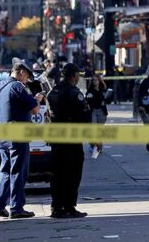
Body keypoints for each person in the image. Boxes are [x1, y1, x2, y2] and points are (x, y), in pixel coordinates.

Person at [0, 59, 44, 219]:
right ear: (21, 72)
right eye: (27, 76)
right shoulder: (19, 87)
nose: (27, 80)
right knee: (19, 171)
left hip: (2, 135)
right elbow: (34, 110)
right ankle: (16, 207)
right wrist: (38, 100)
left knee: (5, 170)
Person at [47, 63, 90, 218]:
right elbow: (84, 117)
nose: (79, 77)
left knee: (57, 174)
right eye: (78, 74)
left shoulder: (54, 91)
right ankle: (69, 206)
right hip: (71, 140)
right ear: (73, 75)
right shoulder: (74, 93)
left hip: (56, 139)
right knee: (72, 174)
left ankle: (57, 207)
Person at [85, 74, 108, 159]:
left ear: (99, 81)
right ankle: (95, 146)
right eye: (93, 80)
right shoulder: (90, 91)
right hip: (93, 111)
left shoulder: (103, 90)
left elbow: (108, 100)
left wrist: (107, 98)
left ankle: (97, 145)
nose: (94, 82)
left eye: (96, 80)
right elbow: (88, 101)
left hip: (102, 111)